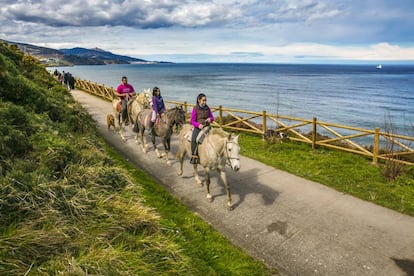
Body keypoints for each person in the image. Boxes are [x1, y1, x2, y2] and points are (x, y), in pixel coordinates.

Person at [190, 93, 214, 164]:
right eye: (203, 100)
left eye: (205, 100)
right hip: (199, 127)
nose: (205, 102)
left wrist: (210, 119)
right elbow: (192, 121)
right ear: (199, 100)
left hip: (207, 126)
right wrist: (198, 125)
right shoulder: (195, 108)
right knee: (194, 139)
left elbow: (212, 117)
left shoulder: (207, 108)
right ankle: (194, 157)